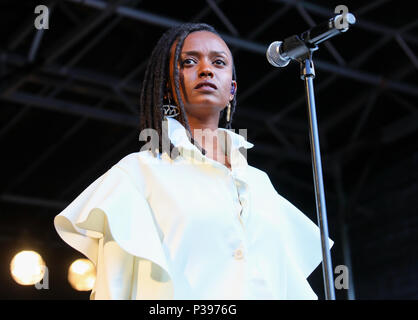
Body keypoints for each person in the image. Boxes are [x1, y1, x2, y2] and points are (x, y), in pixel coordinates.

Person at [54, 23, 333, 300]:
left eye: (219, 62)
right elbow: (114, 287)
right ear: (166, 87)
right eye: (188, 61)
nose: (206, 69)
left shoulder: (259, 183)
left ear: (232, 90)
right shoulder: (137, 172)